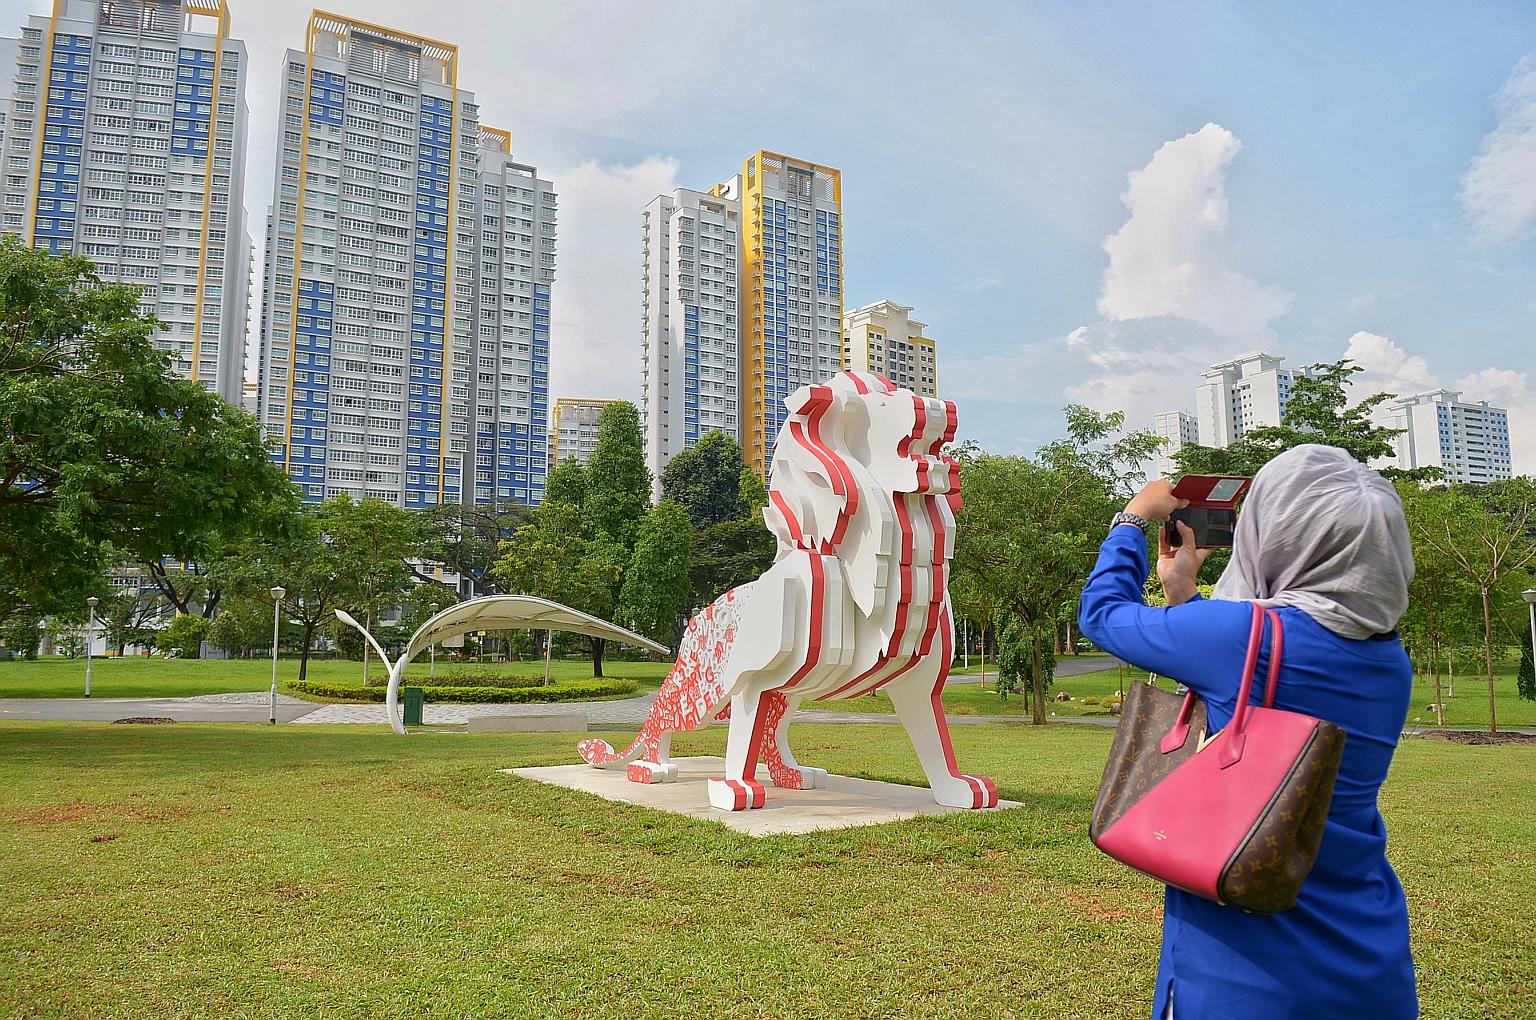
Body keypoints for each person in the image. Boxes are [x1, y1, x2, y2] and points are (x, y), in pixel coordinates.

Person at [1078, 444, 1418, 1020]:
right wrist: (1185, 593)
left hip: (1246, 974)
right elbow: (1254, 687)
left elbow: (1102, 613)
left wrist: (1133, 519)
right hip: (1368, 955)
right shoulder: (1389, 661)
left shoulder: (1236, 637)